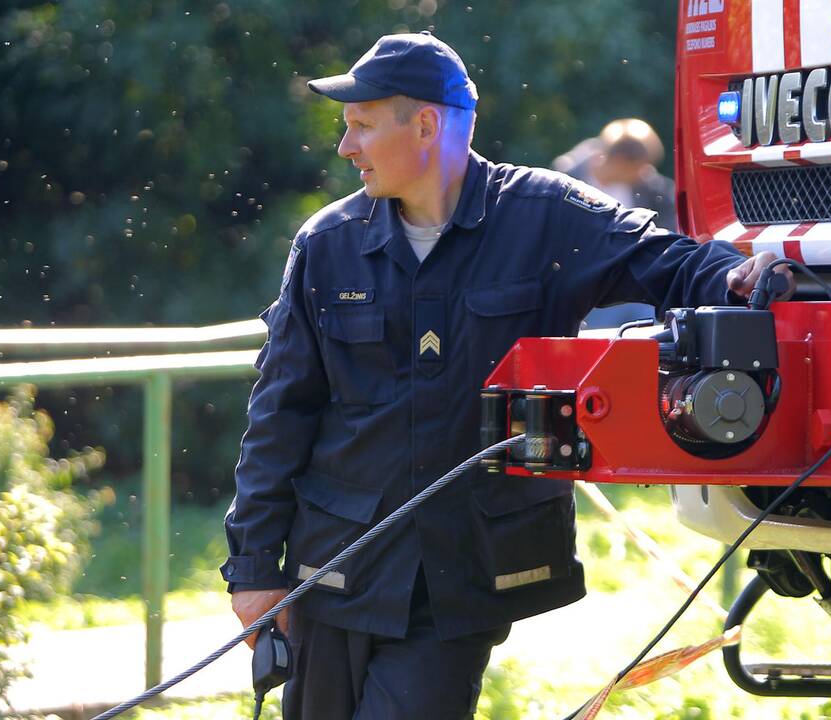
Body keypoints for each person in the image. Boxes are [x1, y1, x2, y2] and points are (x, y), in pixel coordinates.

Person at [222, 31, 790, 720]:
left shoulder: (546, 217)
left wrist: (736, 275)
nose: (346, 147)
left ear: (426, 124)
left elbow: (667, 261)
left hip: (458, 581)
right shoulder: (325, 245)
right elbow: (279, 413)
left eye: (362, 126)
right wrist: (253, 570)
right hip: (333, 572)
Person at [553, 119, 677, 329]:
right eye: (639, 168)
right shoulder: (564, 182)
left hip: (630, 284)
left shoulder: (653, 191)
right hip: (583, 286)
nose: (645, 175)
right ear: (620, 160)